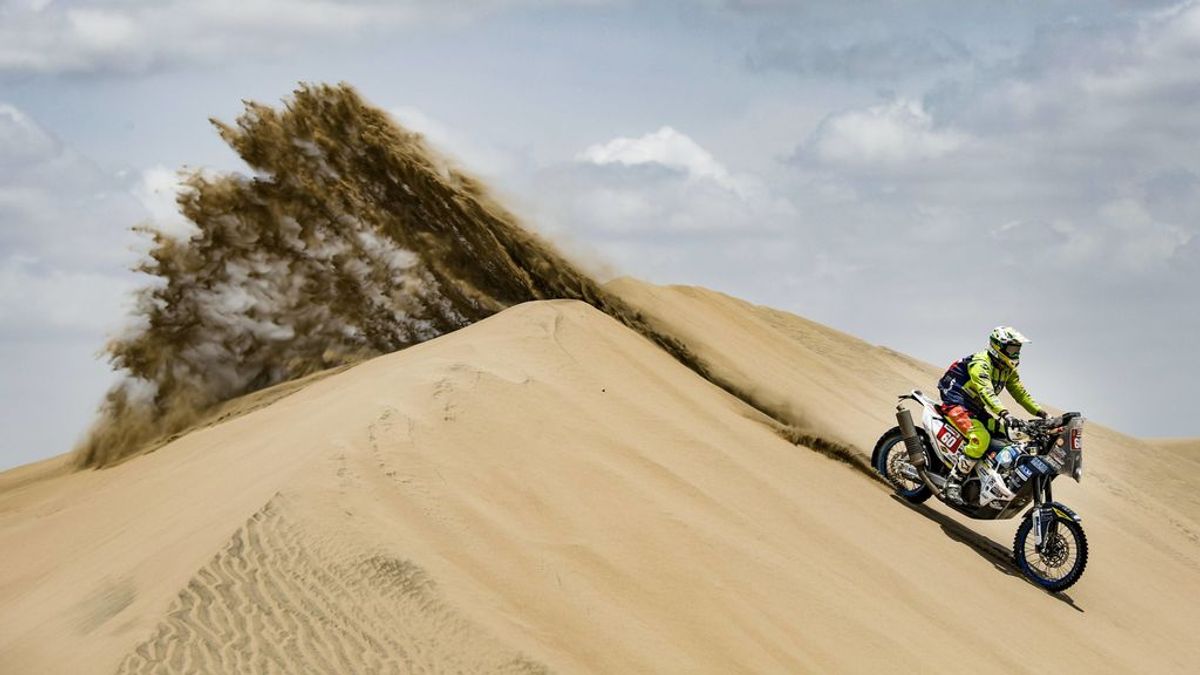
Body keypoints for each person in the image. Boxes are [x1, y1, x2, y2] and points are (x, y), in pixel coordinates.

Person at [937, 326, 1049, 504]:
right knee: (980, 438)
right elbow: (986, 392)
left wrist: (1042, 414)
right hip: (956, 403)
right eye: (1012, 348)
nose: (1016, 353)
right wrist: (1004, 413)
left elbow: (1021, 394)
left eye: (1017, 349)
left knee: (1006, 434)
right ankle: (954, 481)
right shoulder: (981, 363)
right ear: (998, 346)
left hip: (975, 408)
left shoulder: (1007, 369)